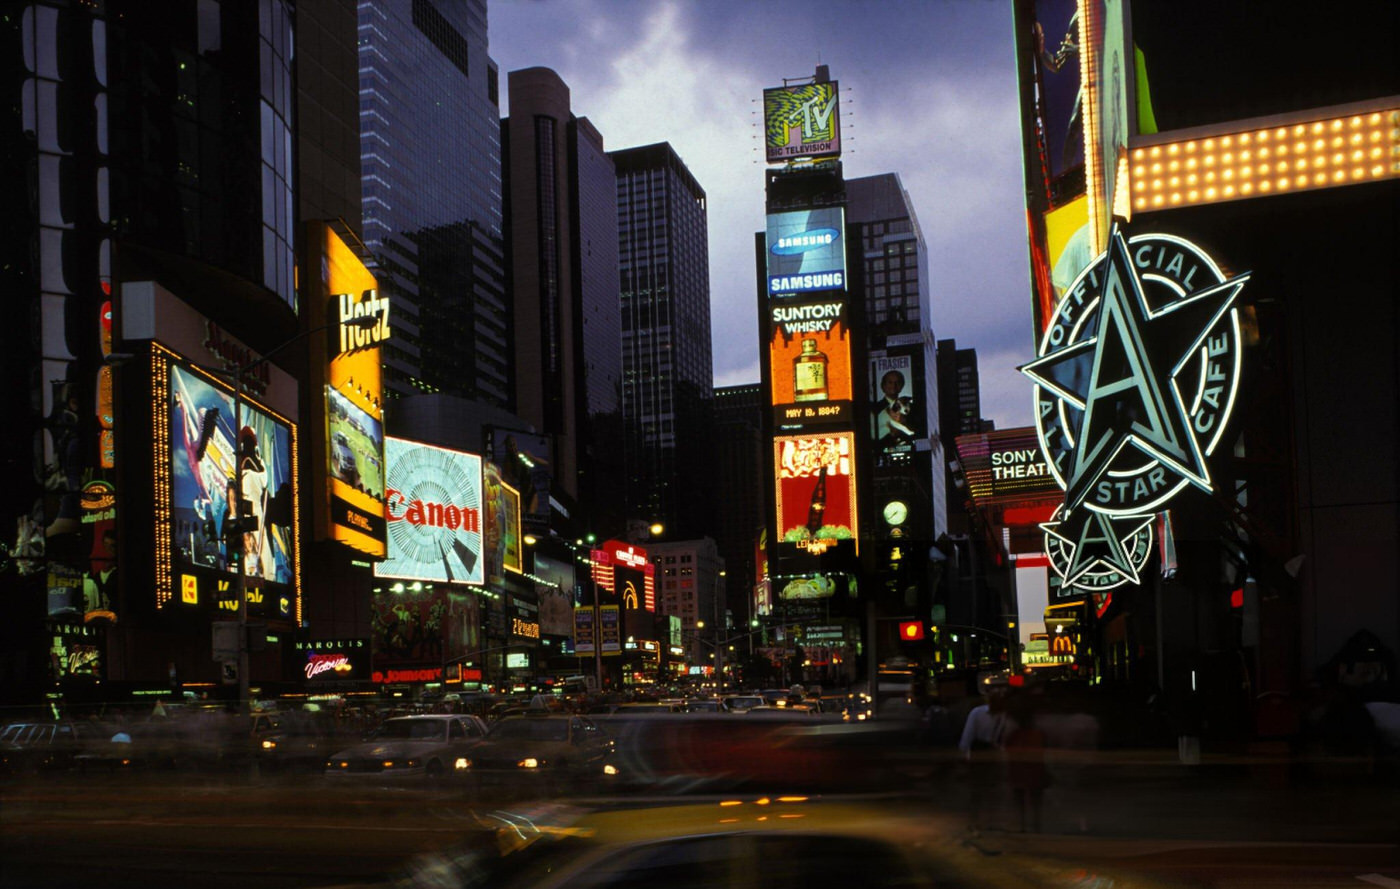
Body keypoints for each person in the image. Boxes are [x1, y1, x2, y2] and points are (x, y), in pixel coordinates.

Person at [958, 681, 1009, 834]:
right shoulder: (1003, 715)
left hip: (981, 758)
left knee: (980, 793)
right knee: (987, 793)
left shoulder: (978, 713)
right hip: (989, 758)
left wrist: (966, 758)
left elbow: (967, 738)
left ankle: (978, 823)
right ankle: (986, 823)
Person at [872, 369, 916, 445]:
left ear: (902, 386)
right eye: (890, 382)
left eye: (897, 382)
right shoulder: (875, 408)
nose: (893, 386)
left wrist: (905, 421)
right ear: (883, 386)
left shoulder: (910, 406)